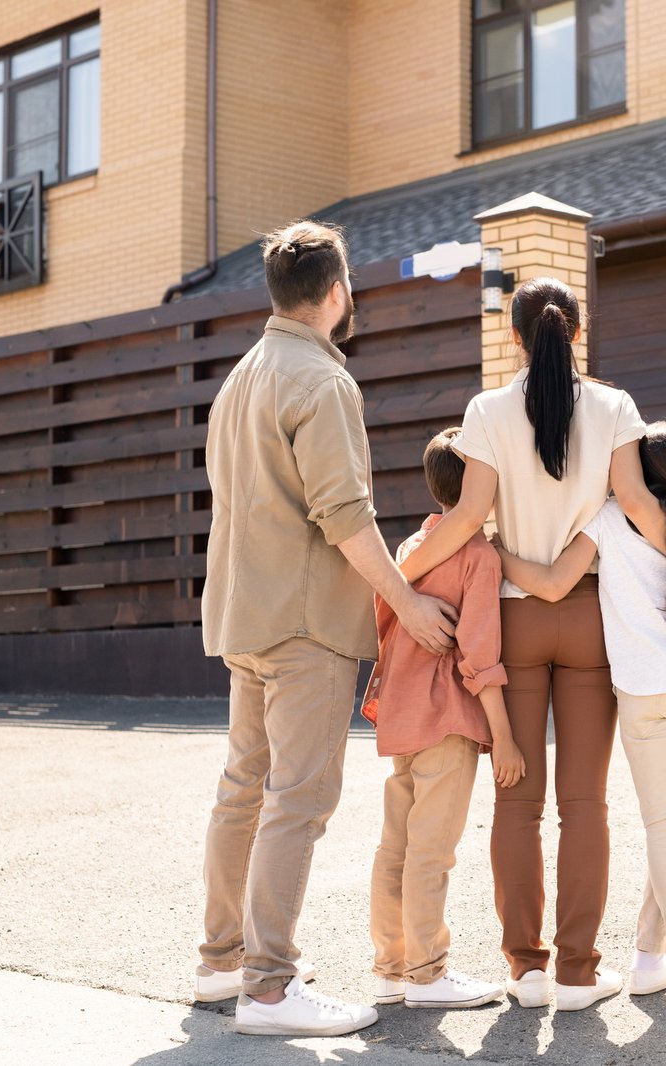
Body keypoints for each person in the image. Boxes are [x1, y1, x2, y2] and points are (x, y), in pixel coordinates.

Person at [195, 219, 458, 1038]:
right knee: (297, 800)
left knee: (245, 790)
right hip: (305, 622)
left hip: (244, 613)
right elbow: (344, 515)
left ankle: (223, 961)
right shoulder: (322, 380)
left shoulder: (240, 377)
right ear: (338, 293)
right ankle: (269, 990)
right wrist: (409, 604)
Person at [392, 276, 666, 1012]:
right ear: (577, 331)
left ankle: (526, 969)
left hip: (511, 620)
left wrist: (396, 577)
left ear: (514, 336)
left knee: (517, 803)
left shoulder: (485, 411)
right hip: (588, 617)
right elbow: (636, 505)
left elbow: (467, 518)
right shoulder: (615, 407)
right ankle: (578, 972)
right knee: (586, 804)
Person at [495, 422, 666, 1000]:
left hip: (644, 692)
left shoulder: (606, 520)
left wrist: (499, 554)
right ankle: (647, 959)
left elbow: (556, 585)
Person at [360, 427, 524, 1010]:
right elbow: (478, 655)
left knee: (396, 848)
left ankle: (391, 968)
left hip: (399, 716)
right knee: (432, 852)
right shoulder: (477, 555)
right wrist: (503, 736)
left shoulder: (408, 550)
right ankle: (428, 975)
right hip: (449, 719)